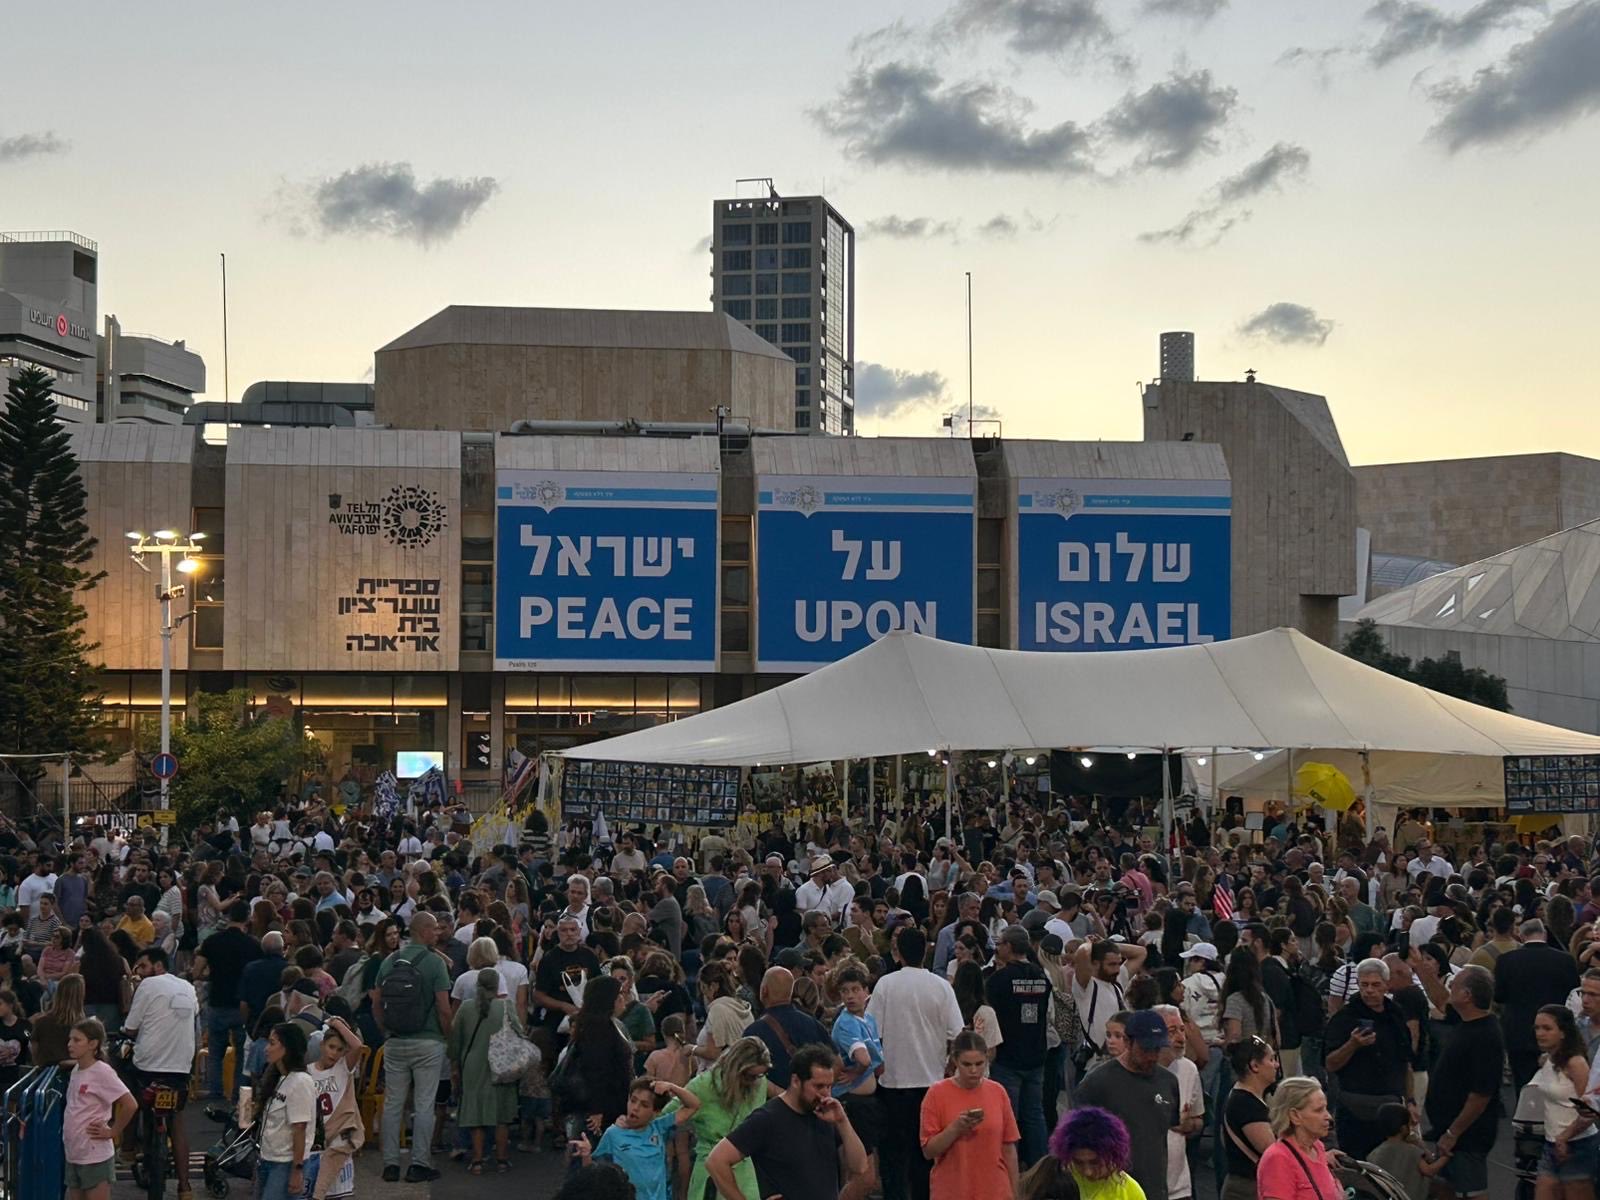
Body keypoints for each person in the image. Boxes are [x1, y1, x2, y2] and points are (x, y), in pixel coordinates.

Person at [866, 926, 966, 1200]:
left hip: (893, 1083)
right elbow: (958, 1034)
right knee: (927, 1157)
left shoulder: (886, 984)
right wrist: (949, 1066)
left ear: (898, 952)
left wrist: (877, 1065)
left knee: (894, 1159)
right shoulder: (941, 986)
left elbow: (871, 1032)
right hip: (932, 1084)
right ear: (927, 950)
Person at [706, 1043, 868, 1200]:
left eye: (829, 1086)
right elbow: (716, 1161)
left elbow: (859, 1167)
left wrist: (842, 1121)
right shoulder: (767, 1118)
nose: (826, 1094)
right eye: (818, 1086)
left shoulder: (827, 1114)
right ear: (796, 1081)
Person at [374, 911, 453, 1183]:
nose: (438, 933)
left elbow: (377, 1002)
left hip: (395, 1042)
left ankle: (390, 1163)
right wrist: (447, 1036)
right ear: (423, 931)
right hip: (428, 1041)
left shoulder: (389, 961)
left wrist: (387, 1030)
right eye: (434, 929)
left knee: (393, 1103)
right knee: (424, 1104)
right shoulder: (434, 963)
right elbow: (444, 1008)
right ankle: (419, 1162)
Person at [1071, 1008, 1180, 1200]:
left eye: (1157, 1049)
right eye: (1146, 1049)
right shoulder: (1096, 1084)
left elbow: (1164, 1133)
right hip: (1111, 1192)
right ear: (1128, 1042)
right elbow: (1075, 1142)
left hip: (1155, 1190)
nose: (1152, 1056)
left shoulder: (1168, 1082)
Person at [124, 946, 198, 1200]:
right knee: (178, 1121)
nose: (139, 972)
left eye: (142, 966)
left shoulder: (148, 985)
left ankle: (128, 1146)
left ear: (157, 966)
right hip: (181, 1066)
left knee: (129, 1095)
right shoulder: (188, 987)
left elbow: (131, 1028)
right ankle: (185, 1188)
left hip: (149, 1067)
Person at [1322, 957, 1413, 1161]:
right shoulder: (1345, 1018)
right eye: (1364, 985)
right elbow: (1330, 1063)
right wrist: (1352, 1045)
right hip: (1354, 1107)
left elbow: (1405, 1062)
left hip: (1390, 1107)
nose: (1369, 990)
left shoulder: (1395, 1015)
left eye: (1375, 985)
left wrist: (1411, 1100)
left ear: (1386, 985)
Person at [1424, 965, 1502, 1200]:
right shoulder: (1465, 1020)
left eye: (1454, 985)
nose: (1449, 988)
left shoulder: (1486, 1035)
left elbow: (1481, 1094)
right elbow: (1440, 999)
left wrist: (1452, 1132)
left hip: (1468, 1135)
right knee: (1443, 1188)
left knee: (1471, 1192)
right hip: (1448, 1128)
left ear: (1467, 996)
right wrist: (1418, 966)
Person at [919, 1030, 1019, 1200]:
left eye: (979, 1064)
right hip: (952, 1190)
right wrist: (955, 1129)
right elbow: (928, 1150)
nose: (973, 1070)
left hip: (995, 1190)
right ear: (955, 1061)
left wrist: (1015, 1193)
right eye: (966, 1064)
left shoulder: (997, 1092)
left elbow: (1009, 1148)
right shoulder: (936, 1094)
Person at [676, 1037, 772, 1200]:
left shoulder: (760, 1083)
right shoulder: (702, 1086)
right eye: (750, 1076)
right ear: (735, 1068)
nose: (754, 1081)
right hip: (711, 1177)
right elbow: (664, 1118)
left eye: (760, 1075)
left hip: (747, 1174)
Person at [986, 925, 1050, 1166]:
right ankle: (1040, 1167)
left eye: (1001, 943)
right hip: (1035, 1052)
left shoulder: (999, 980)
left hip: (1008, 1056)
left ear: (1009, 947)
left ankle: (1007, 1167)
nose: (997, 947)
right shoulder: (1041, 975)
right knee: (1035, 1115)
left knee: (1008, 1116)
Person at [574, 1077, 700, 1200]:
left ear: (655, 1112)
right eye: (633, 1100)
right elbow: (593, 1172)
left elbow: (693, 1105)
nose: (635, 1108)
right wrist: (586, 1155)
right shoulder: (613, 1134)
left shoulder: (659, 1127)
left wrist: (672, 1087)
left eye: (644, 1105)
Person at [448, 966, 520, 1173]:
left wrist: (454, 1062)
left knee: (475, 1113)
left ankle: (478, 1161)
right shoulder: (506, 1006)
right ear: (498, 985)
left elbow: (455, 1039)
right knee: (501, 1116)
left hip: (473, 1064)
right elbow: (519, 1033)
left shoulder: (467, 1008)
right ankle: (502, 1160)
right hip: (501, 1065)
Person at [1497, 919, 1582, 1092]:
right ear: (1544, 934)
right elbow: (1574, 995)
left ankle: (1526, 1117)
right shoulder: (1565, 960)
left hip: (1518, 1030)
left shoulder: (1506, 960)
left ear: (1521, 936)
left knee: (1524, 1085)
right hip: (1557, 1030)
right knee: (1559, 1082)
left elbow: (1499, 996)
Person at [195, 900, 261, 1101]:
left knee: (216, 1050)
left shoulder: (212, 941)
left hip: (218, 1001)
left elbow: (196, 971)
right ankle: (238, 1093)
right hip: (242, 1005)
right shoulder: (253, 945)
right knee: (242, 1052)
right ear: (247, 918)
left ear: (228, 916)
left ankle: (215, 1091)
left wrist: (211, 976)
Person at [62, 1018, 136, 1200]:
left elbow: (130, 1104)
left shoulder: (102, 1072)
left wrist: (113, 1131)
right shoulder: (77, 1069)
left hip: (94, 1156)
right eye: (70, 1039)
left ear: (93, 1044)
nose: (70, 1044)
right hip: (74, 1153)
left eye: (77, 1040)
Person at [1531, 1003, 1599, 1198]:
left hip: (1579, 1146)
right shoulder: (1549, 1059)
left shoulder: (1576, 1063)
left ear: (1563, 1033)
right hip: (1551, 1144)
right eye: (1537, 1028)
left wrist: (1565, 1136)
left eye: (1547, 1028)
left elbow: (1590, 1110)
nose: (1540, 1033)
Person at [829, 961, 884, 1200]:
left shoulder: (868, 1020)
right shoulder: (846, 1023)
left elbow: (879, 1062)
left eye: (854, 990)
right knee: (864, 1176)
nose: (850, 996)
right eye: (844, 991)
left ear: (866, 991)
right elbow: (862, 1057)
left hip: (868, 1102)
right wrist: (858, 1070)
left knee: (866, 1177)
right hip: (852, 1104)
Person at [1019, 1105, 1143, 1200]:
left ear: (1112, 1155)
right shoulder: (1055, 1180)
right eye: (1078, 1162)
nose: (1087, 1171)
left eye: (1095, 1162)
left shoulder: (1130, 1191)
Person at [305, 1015, 365, 1200]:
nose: (334, 1053)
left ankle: (318, 1195)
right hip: (316, 1135)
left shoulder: (343, 1068)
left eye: (339, 1049)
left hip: (340, 1131)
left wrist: (338, 1024)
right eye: (331, 1047)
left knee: (338, 1184)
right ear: (322, 1045)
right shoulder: (308, 1071)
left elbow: (357, 1046)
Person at [256, 1022, 317, 1200]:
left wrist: (297, 1170)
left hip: (285, 1163)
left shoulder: (300, 1082)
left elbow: (299, 1128)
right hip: (268, 1158)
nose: (267, 1048)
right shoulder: (278, 1078)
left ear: (287, 1048)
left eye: (272, 1043)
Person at [1256, 1077, 1341, 1200]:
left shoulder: (1317, 1147)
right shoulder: (1278, 1159)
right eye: (1319, 1110)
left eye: (1326, 1108)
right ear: (1295, 1116)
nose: (1328, 1116)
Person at [1153, 1005, 1203, 1200]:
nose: (1181, 1038)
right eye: (1172, 1031)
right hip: (1144, 1185)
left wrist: (1188, 1124)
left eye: (1182, 1029)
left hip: (1180, 1188)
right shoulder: (1140, 1071)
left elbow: (1198, 1119)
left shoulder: (1189, 1070)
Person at [1219, 1036, 1277, 1200]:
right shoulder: (1245, 1104)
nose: (1276, 1065)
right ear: (1254, 1066)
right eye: (1271, 1059)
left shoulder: (1246, 1098)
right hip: (1246, 1190)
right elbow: (1273, 1152)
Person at [1368, 1102, 1453, 1200]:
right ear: (1404, 1128)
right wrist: (1445, 1157)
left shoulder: (1374, 1153)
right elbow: (1429, 1171)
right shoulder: (1412, 1151)